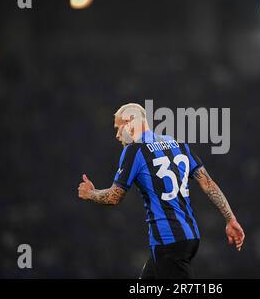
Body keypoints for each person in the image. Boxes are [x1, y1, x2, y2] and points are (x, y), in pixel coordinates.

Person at [78, 103, 245, 278]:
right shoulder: (177, 144)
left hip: (168, 242)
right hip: (187, 236)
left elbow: (114, 197)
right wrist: (230, 219)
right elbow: (208, 184)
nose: (117, 134)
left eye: (118, 127)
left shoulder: (134, 150)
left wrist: (91, 193)